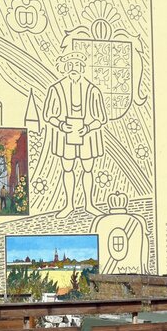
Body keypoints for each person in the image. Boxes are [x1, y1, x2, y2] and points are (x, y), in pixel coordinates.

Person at [43, 49, 108, 217]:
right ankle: (69, 205)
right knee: (67, 168)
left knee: (88, 168)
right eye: (71, 64)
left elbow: (101, 118)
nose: (74, 67)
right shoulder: (56, 89)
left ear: (82, 67)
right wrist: (61, 125)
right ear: (66, 67)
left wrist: (88, 128)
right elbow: (48, 115)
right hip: (65, 136)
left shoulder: (93, 90)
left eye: (77, 64)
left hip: (87, 136)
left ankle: (89, 205)